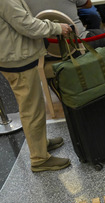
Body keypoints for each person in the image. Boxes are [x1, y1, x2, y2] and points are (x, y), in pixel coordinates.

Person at [0, 0, 72, 172]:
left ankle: (40, 144)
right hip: (16, 58)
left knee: (34, 106)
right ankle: (39, 159)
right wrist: (56, 28)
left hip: (14, 55)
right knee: (31, 109)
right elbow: (26, 24)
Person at [25, 0, 105, 62]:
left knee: (92, 16)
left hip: (46, 49)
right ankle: (102, 71)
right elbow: (88, 4)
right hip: (76, 44)